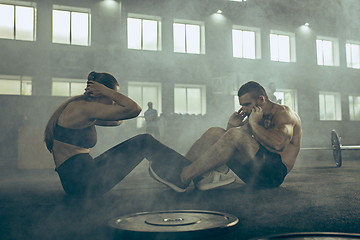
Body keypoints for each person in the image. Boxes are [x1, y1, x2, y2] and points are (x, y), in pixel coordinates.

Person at [44, 71, 191, 197]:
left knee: (143, 141)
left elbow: (118, 120)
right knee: (143, 142)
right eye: (113, 97)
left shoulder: (84, 111)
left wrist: (108, 97)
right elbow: (134, 109)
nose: (114, 101)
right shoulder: (82, 108)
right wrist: (108, 92)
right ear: (101, 93)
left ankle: (177, 174)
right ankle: (192, 171)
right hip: (84, 183)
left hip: (81, 179)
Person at [177, 81, 302, 190]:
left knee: (235, 134)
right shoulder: (256, 114)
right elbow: (228, 143)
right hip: (254, 172)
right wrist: (231, 125)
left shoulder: (284, 114)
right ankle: (179, 169)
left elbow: (278, 144)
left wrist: (253, 123)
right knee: (214, 132)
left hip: (273, 175)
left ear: (261, 100)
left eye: (247, 104)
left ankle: (184, 176)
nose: (244, 109)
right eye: (241, 105)